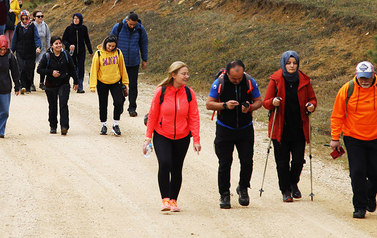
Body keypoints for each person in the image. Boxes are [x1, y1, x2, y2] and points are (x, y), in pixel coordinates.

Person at [330, 61, 377, 219]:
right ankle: (359, 206)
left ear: (373, 74)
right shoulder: (347, 89)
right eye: (361, 78)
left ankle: (370, 194)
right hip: (353, 137)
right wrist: (335, 138)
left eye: (367, 77)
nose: (365, 81)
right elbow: (337, 115)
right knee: (358, 172)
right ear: (356, 76)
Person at [144, 61, 201, 212]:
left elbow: (194, 116)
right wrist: (148, 138)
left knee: (177, 168)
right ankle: (165, 199)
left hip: (182, 136)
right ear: (173, 75)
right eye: (183, 74)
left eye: (187, 73)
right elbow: (153, 115)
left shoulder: (189, 93)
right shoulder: (161, 92)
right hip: (162, 134)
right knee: (165, 163)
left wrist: (196, 139)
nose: (186, 76)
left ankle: (174, 200)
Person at [205, 60, 263, 208]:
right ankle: (224, 195)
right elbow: (209, 104)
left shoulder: (250, 81)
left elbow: (258, 101)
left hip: (245, 128)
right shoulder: (219, 83)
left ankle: (243, 188)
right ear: (227, 74)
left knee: (247, 161)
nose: (237, 81)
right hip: (225, 128)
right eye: (233, 79)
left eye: (239, 78)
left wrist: (250, 107)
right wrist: (224, 105)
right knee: (225, 163)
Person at [263, 51, 317, 203]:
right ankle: (286, 190)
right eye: (288, 63)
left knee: (298, 161)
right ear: (283, 64)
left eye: (294, 63)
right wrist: (273, 102)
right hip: (280, 127)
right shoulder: (276, 80)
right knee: (282, 161)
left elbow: (313, 99)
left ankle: (293, 183)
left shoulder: (304, 80)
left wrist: (311, 105)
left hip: (299, 127)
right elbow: (266, 102)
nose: (292, 66)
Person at [37, 36, 77, 135]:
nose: (58, 45)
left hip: (64, 83)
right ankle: (53, 126)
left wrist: (76, 81)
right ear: (52, 45)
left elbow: (72, 68)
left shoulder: (66, 55)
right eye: (56, 43)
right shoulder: (47, 56)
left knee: (63, 104)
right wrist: (51, 72)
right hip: (50, 84)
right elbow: (39, 69)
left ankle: (64, 126)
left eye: (60, 43)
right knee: (52, 106)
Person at [111, 12, 148, 116]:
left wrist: (144, 59)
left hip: (134, 62)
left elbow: (144, 44)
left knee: (133, 86)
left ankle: (132, 108)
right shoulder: (118, 27)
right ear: (127, 20)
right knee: (119, 85)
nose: (132, 26)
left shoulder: (140, 29)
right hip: (119, 63)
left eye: (134, 24)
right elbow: (110, 42)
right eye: (130, 24)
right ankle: (119, 105)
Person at [89, 35, 128, 136]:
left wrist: (125, 82)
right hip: (102, 82)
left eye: (113, 46)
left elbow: (122, 68)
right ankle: (104, 125)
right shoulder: (98, 54)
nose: (111, 48)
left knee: (119, 102)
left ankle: (116, 124)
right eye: (109, 45)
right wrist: (92, 85)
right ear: (105, 44)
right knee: (103, 104)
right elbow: (94, 70)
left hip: (116, 81)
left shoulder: (118, 53)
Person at [10, 10, 42, 93]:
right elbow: (14, 39)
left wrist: (38, 46)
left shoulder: (32, 26)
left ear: (29, 18)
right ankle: (22, 86)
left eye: (26, 18)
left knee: (29, 69)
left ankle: (28, 86)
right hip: (20, 51)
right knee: (21, 68)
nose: (24, 20)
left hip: (30, 51)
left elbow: (36, 37)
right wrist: (12, 50)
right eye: (23, 19)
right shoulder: (18, 27)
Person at [62, 13, 93, 93]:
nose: (75, 20)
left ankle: (80, 86)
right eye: (74, 18)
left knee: (81, 69)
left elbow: (87, 40)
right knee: (70, 68)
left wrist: (90, 52)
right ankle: (66, 85)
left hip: (81, 52)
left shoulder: (83, 28)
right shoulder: (69, 28)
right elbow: (64, 40)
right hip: (71, 53)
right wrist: (69, 46)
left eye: (77, 18)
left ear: (80, 20)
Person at [32, 10, 51, 89]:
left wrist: (49, 48)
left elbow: (48, 37)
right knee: (31, 65)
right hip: (33, 48)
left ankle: (42, 82)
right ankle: (31, 83)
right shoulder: (32, 25)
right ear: (34, 17)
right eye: (38, 16)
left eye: (41, 16)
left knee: (43, 64)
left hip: (42, 48)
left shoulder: (45, 26)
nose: (40, 18)